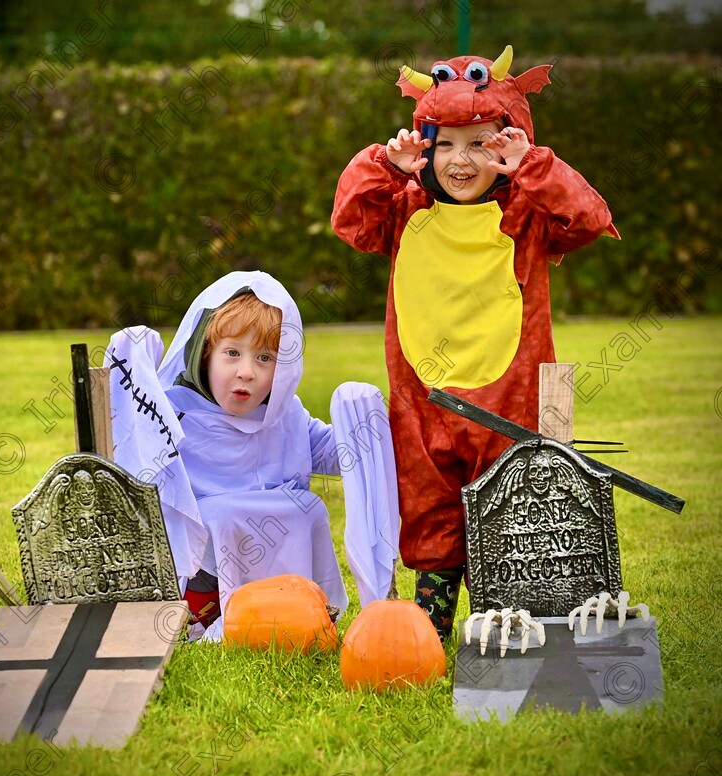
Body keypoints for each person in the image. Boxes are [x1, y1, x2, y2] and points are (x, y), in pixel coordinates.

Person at [331, 46, 619, 640]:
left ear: (507, 145)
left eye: (481, 144)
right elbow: (349, 219)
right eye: (444, 144)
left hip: (508, 401)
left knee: (516, 515)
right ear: (424, 149)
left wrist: (534, 165)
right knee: (431, 513)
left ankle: (510, 621)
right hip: (423, 403)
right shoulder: (403, 209)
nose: (460, 161)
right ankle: (430, 630)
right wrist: (385, 165)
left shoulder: (527, 213)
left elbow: (589, 218)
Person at [107, 271, 400, 640]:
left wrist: (362, 420)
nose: (246, 372)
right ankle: (204, 616)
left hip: (277, 554)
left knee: (307, 505)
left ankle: (296, 610)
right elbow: (135, 460)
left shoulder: (284, 414)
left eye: (265, 358)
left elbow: (332, 453)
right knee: (220, 514)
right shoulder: (174, 415)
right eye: (232, 353)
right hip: (206, 569)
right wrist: (132, 370)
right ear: (205, 354)